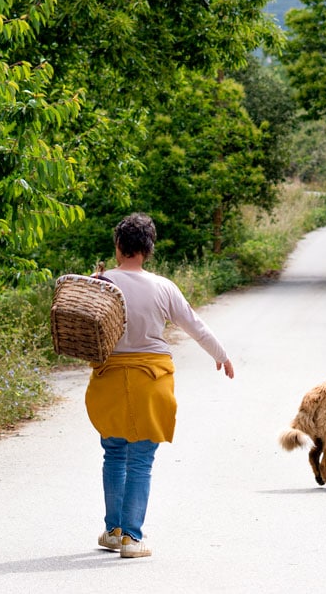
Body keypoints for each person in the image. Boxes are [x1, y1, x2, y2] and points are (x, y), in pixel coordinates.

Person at [85, 212, 235, 559]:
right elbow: (194, 325)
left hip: (109, 379)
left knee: (114, 453)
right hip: (151, 380)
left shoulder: (100, 283)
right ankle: (132, 538)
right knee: (140, 460)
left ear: (118, 246)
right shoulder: (162, 287)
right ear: (149, 250)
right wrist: (221, 354)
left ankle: (114, 530)